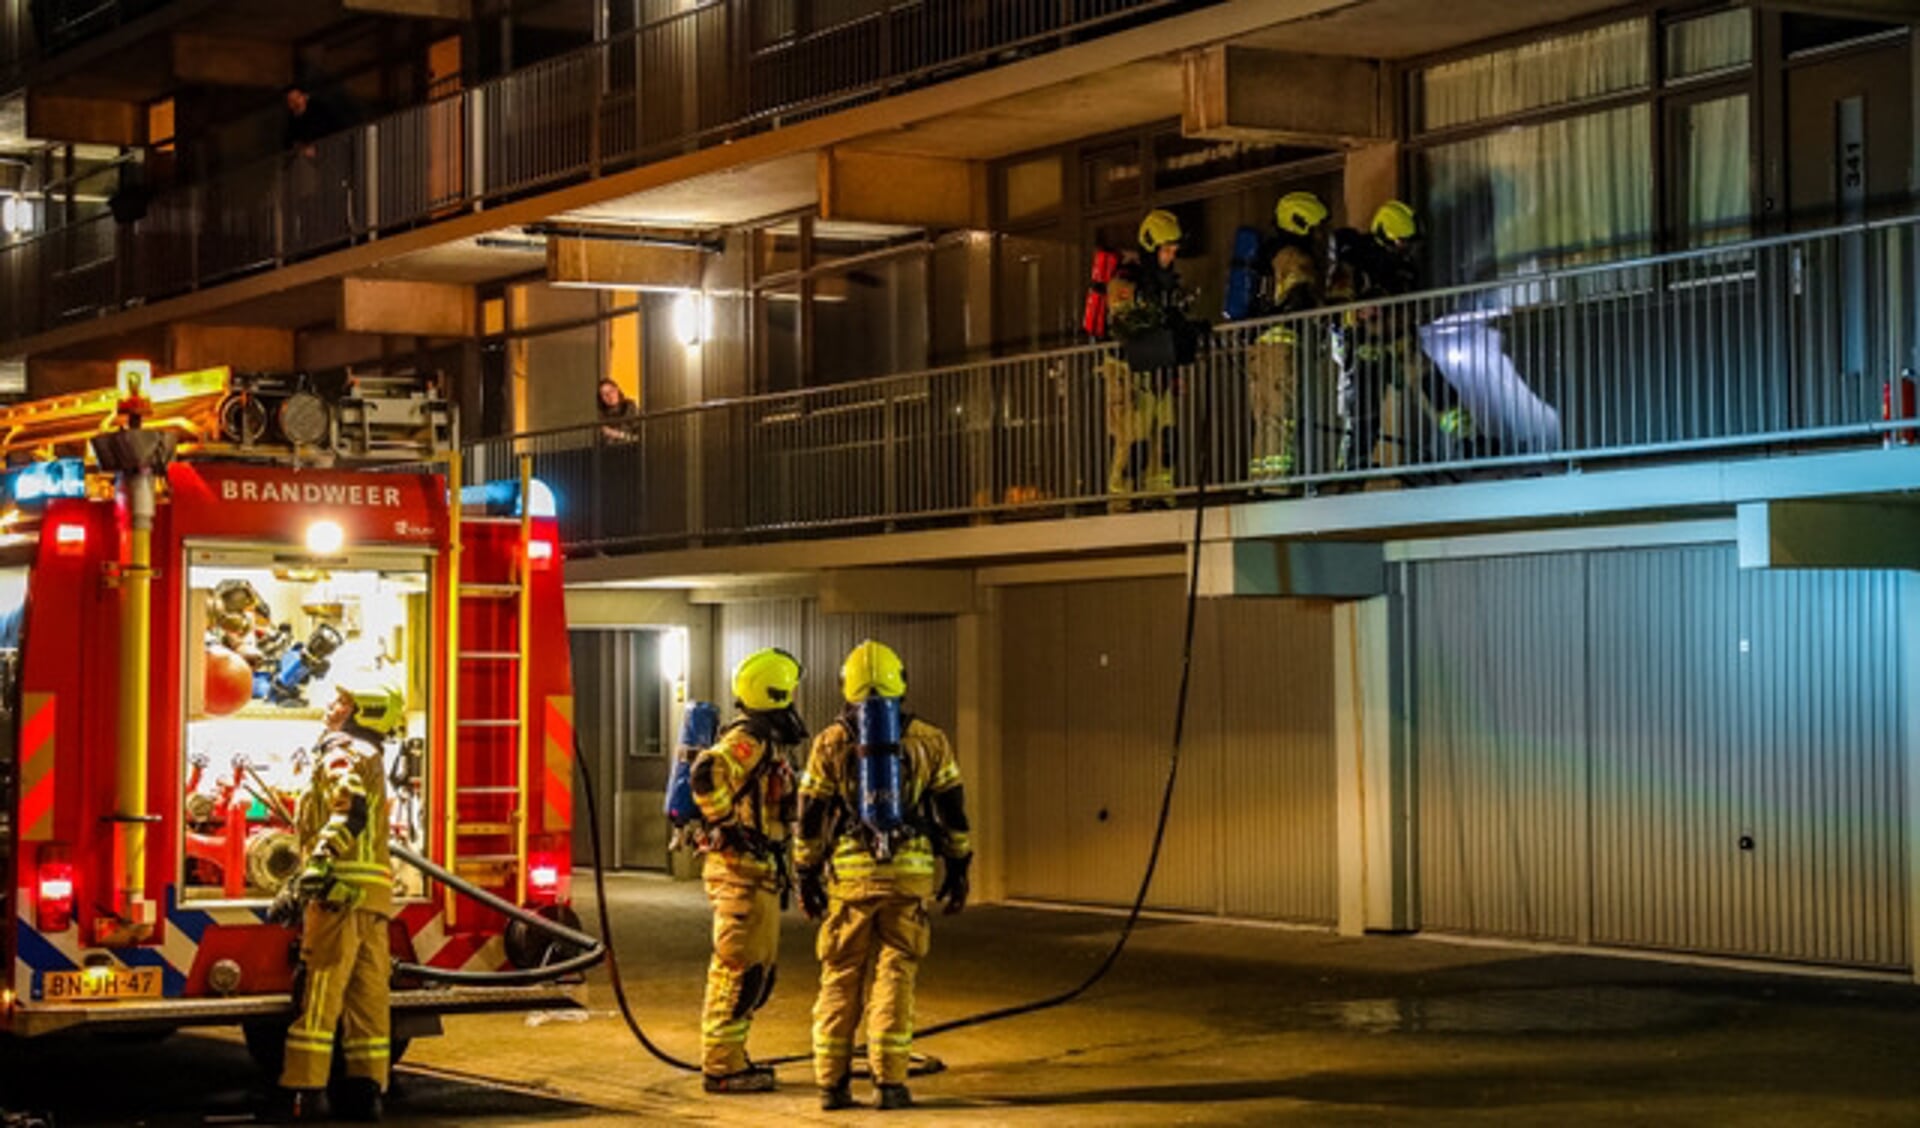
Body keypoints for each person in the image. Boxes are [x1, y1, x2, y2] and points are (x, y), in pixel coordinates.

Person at [795, 641, 972, 1112]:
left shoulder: (830, 742)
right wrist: (959, 868)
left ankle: (832, 1085)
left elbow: (810, 816)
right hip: (909, 878)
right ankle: (890, 1084)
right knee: (896, 974)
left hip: (851, 879)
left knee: (840, 973)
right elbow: (952, 811)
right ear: (903, 682)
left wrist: (805, 873)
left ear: (844, 685)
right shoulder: (930, 740)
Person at [267, 682, 405, 1122]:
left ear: (361, 712)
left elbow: (350, 809)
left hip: (338, 896)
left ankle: (304, 1093)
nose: (332, 706)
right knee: (368, 1001)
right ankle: (366, 1092)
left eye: (344, 701)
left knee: (321, 995)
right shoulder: (373, 755)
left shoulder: (342, 752)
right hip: (373, 898)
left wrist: (318, 864)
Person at [690, 648, 807, 1094]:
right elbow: (706, 773)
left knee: (757, 973)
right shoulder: (749, 739)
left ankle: (733, 1058)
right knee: (738, 973)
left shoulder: (764, 740)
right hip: (739, 873)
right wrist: (728, 826)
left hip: (757, 874)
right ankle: (722, 1068)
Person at [1102, 209, 1195, 510]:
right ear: (1151, 247)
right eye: (1166, 250)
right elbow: (1124, 323)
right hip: (1128, 372)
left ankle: (1160, 496)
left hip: (1159, 370)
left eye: (1174, 250)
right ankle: (1123, 501)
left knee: (1165, 435)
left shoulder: (1167, 284)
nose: (1170, 256)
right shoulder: (1125, 281)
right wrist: (1161, 319)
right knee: (1134, 438)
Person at [1327, 200, 1425, 473]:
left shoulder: (1401, 270)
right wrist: (1359, 310)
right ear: (1385, 236)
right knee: (1362, 409)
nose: (1405, 250)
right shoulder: (1356, 259)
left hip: (1393, 340)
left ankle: (1467, 439)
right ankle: (1351, 467)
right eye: (1401, 242)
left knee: (1427, 382)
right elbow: (1337, 302)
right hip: (1359, 344)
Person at [1246, 191, 1330, 482]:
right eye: (1314, 226)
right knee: (1282, 414)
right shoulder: (1295, 256)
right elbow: (1300, 297)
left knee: (1265, 415)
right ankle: (1277, 481)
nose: (1319, 234)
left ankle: (1262, 480)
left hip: (1259, 344)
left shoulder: (1268, 253)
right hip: (1282, 346)